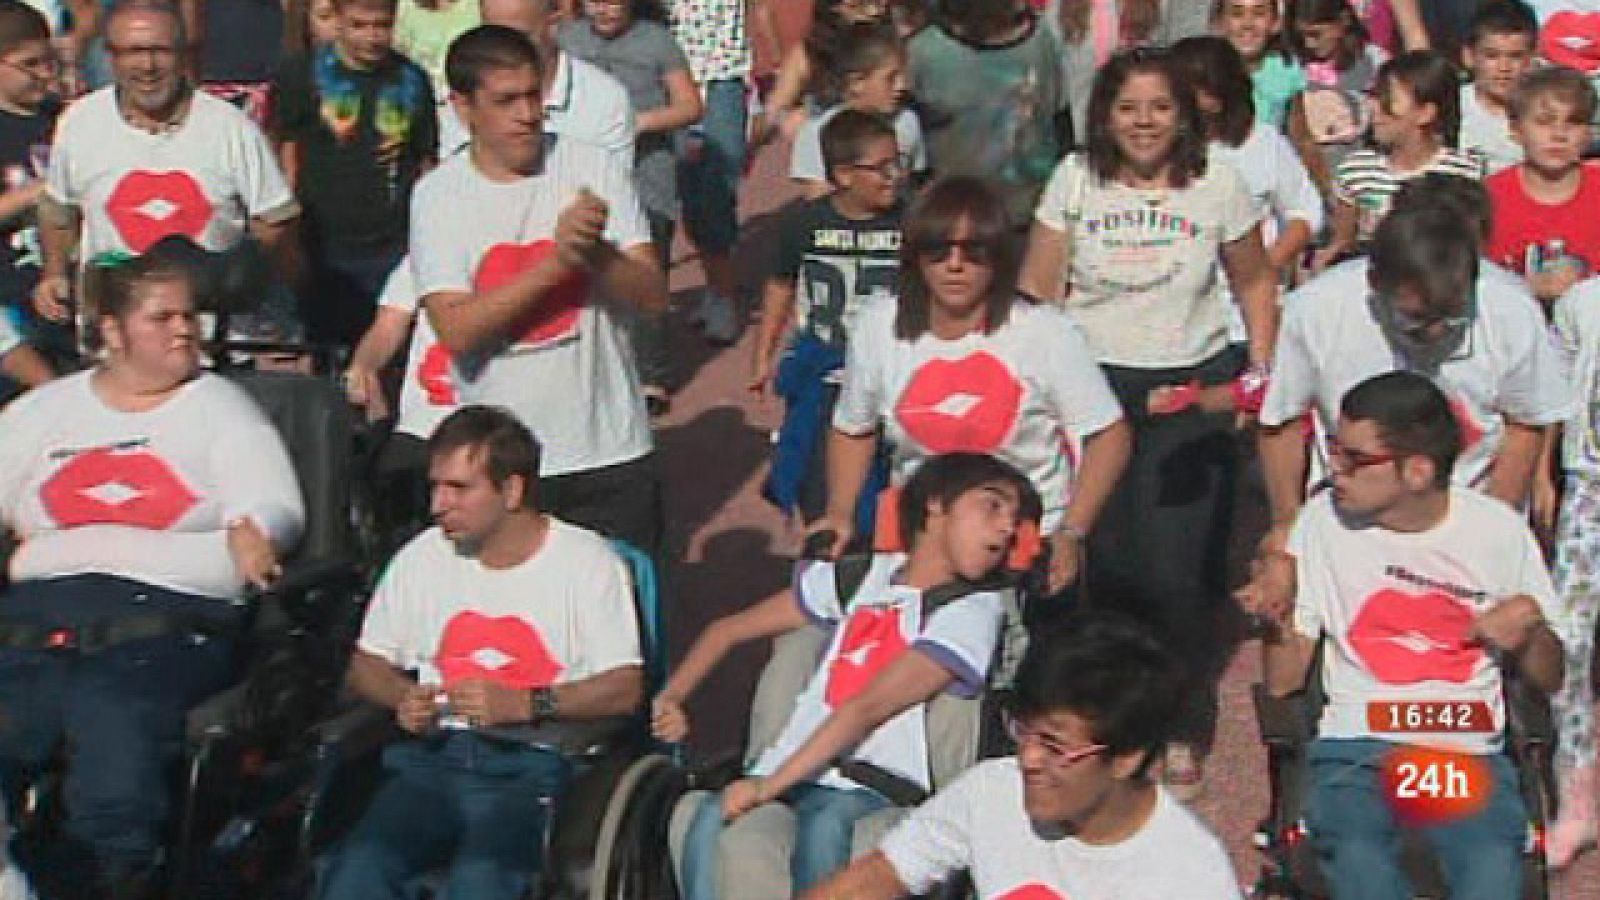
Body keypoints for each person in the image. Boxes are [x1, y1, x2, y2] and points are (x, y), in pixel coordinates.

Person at [0, 243, 303, 897]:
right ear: (111, 333)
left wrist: (259, 533)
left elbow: (272, 501)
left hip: (162, 621)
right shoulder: (43, 414)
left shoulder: (220, 407)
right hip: (36, 619)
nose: (184, 330)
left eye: (188, 316)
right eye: (162, 318)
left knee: (110, 722)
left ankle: (113, 878)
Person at [1018, 47, 1278, 796]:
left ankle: (1175, 718)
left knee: (1171, 574)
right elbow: (1040, 286)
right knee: (1090, 563)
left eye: (1159, 107)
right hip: (1090, 388)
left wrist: (1255, 382)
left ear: (1185, 114)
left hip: (1184, 393)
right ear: (1104, 114)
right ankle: (1090, 718)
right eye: (1128, 107)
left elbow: (1256, 284)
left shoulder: (1218, 184)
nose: (1143, 122)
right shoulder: (1075, 178)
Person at [1240, 370, 1566, 900]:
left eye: (1353, 458)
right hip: (1358, 749)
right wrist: (1275, 617)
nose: (1334, 469)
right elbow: (1282, 683)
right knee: (1359, 857)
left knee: (1488, 868)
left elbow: (1549, 679)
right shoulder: (1323, 523)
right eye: (1333, 450)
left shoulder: (1497, 531)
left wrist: (1528, 632)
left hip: (1460, 751)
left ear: (1417, 471)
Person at [656, 452, 1041, 899]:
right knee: (708, 816)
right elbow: (727, 630)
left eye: (1015, 519)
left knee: (825, 825)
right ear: (936, 506)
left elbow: (868, 707)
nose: (1006, 528)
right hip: (794, 773)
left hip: (872, 784)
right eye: (992, 506)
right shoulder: (858, 579)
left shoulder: (972, 610)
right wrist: (672, 696)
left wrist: (768, 785)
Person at [319, 405, 644, 900]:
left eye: (458, 489)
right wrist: (402, 695)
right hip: (433, 760)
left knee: (482, 879)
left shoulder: (588, 564)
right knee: (359, 868)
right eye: (435, 487)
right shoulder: (423, 556)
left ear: (512, 491)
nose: (437, 505)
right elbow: (366, 666)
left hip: (539, 764)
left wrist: (528, 704)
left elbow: (624, 688)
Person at [409, 25, 667, 554]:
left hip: (609, 451)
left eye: (533, 95)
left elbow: (653, 297)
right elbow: (457, 329)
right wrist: (559, 263)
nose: (527, 114)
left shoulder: (591, 166)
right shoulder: (439, 196)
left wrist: (596, 254)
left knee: (626, 619)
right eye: (506, 101)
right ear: (463, 107)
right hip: (505, 469)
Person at [813, 176, 1130, 604]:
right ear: (915, 258)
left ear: (998, 259)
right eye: (939, 251)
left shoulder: (1043, 332)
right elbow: (854, 427)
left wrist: (1071, 533)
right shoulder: (878, 325)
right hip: (922, 545)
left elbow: (1108, 435)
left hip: (1023, 545)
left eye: (973, 252)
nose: (955, 265)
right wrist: (838, 512)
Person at [803, 611, 1243, 899]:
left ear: (1128, 758)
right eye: (1023, 732)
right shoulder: (993, 790)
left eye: (1055, 746)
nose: (1029, 759)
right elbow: (883, 873)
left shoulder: (1192, 876)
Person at [1258, 179, 1573, 554]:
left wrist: (1493, 526)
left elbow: (1526, 423)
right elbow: (1282, 422)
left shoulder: (1511, 309)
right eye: (1417, 319)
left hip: (1465, 523)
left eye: (1453, 317)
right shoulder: (1316, 310)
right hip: (1349, 528)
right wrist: (1287, 525)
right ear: (1375, 283)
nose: (1437, 332)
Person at [33, 0, 300, 335]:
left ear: (182, 54)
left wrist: (248, 285)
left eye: (160, 50)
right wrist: (55, 274)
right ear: (111, 56)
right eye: (133, 52)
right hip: (114, 340)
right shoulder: (79, 123)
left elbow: (275, 221)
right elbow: (58, 213)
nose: (147, 65)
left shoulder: (231, 127)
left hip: (205, 342)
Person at [756, 110, 904, 530]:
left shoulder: (910, 222)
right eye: (880, 168)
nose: (893, 176)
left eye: (898, 163)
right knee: (820, 472)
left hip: (891, 369)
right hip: (823, 366)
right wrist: (764, 353)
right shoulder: (804, 222)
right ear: (842, 175)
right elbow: (781, 284)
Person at [557, 0, 701, 415]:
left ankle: (650, 375)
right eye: (595, 2)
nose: (604, 11)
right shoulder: (568, 40)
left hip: (644, 176)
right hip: (583, 175)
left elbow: (689, 105)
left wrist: (635, 122)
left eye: (614, 2)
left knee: (646, 266)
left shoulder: (657, 42)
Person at [272, 0, 436, 350]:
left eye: (382, 26)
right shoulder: (302, 75)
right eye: (359, 25)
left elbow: (425, 161)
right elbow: (286, 150)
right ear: (339, 20)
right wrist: (291, 230)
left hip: (392, 240)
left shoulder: (412, 79)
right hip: (323, 241)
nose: (372, 37)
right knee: (327, 348)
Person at [906, 0, 1069, 229]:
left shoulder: (1042, 41)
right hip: (952, 217)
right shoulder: (925, 52)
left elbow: (1060, 122)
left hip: (1031, 215)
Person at [668, 0, 775, 345]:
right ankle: (714, 289)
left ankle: (724, 297)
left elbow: (760, 11)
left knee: (716, 193)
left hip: (723, 80)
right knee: (688, 194)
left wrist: (767, 76)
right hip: (673, 78)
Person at [1317, 50, 1484, 267]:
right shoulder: (1357, 170)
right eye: (1375, 97)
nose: (1374, 109)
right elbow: (1343, 243)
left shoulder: (1464, 173)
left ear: (1425, 113)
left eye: (1388, 101)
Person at [1543, 268, 1600, 866]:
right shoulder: (1583, 302)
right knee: (1569, 642)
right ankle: (1577, 803)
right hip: (1590, 489)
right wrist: (1542, 476)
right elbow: (1558, 395)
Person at [1485, 65, 1600, 305]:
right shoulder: (1487, 198)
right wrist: (1524, 288)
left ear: (1589, 133)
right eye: (1544, 122)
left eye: (1574, 122)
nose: (1559, 134)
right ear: (1516, 130)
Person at [0, 0, 67, 372]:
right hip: (8, 299)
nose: (45, 74)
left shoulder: (65, 120)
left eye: (50, 61)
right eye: (30, 64)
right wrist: (39, 191)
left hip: (61, 292)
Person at [788, 21, 925, 201]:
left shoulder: (907, 121)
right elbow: (818, 202)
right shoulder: (815, 133)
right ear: (856, 83)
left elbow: (914, 186)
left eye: (903, 76)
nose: (902, 86)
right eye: (891, 78)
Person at [1458, 1, 1538, 175]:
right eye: (1492, 56)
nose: (1504, 67)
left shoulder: (1542, 112)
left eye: (1515, 56)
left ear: (1531, 60)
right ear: (1469, 56)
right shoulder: (1451, 107)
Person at [1212, 0, 1306, 130]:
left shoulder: (1286, 68)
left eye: (1259, 13)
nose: (1247, 24)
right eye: (1237, 14)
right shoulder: (1205, 70)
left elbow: (1299, 133)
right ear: (1219, 23)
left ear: (1276, 22)